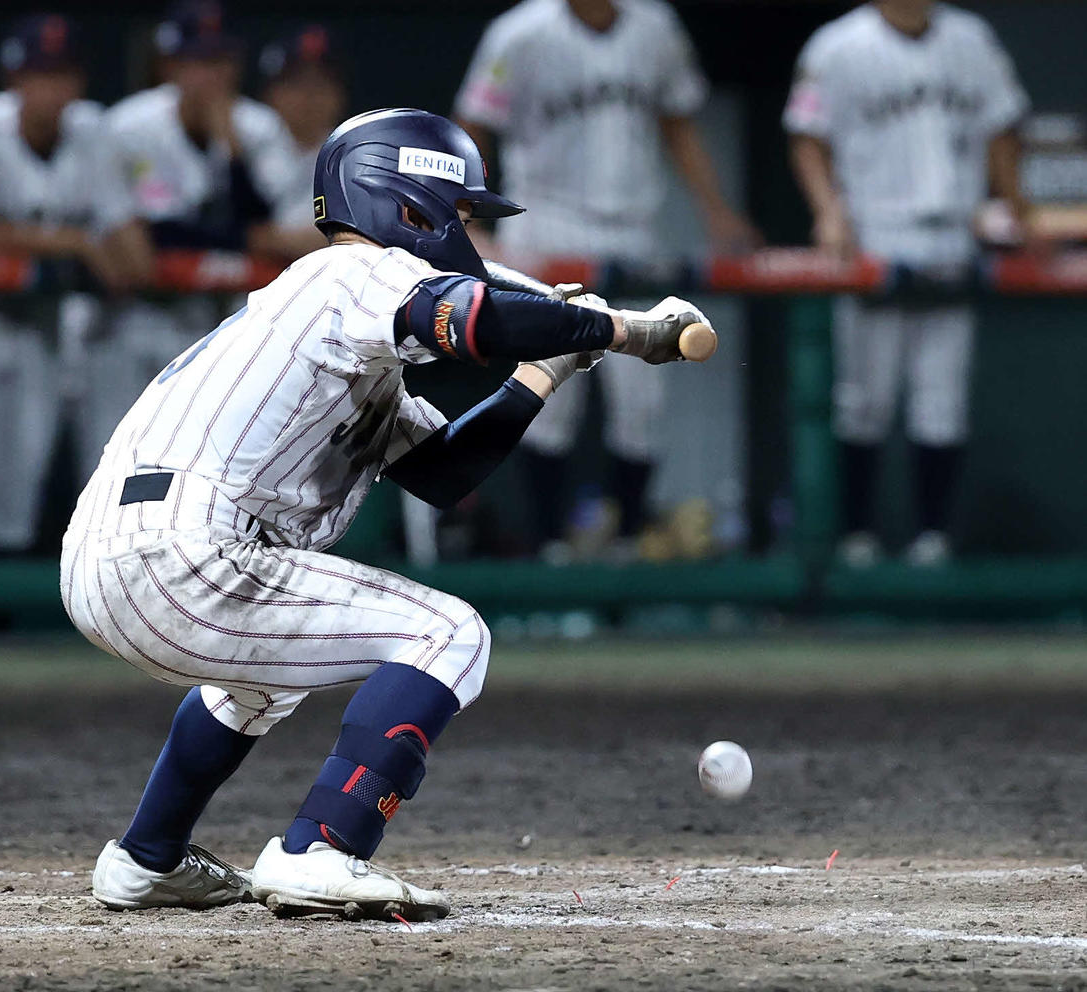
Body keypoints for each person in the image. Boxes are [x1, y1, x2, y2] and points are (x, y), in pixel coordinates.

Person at [61, 108, 714, 920]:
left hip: (117, 556)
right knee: (449, 633)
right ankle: (320, 849)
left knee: (258, 688)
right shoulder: (352, 274)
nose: (467, 230)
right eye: (462, 211)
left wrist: (547, 370)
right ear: (407, 205)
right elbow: (474, 318)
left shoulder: (348, 334)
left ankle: (145, 858)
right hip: (185, 552)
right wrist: (624, 330)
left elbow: (443, 473)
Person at [454, 0, 758, 557]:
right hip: (544, 226)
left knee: (643, 396)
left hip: (633, 227)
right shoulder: (519, 33)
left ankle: (624, 543)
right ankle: (548, 547)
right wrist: (468, 215)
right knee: (549, 394)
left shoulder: (655, 26)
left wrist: (716, 209)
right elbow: (473, 126)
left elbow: (678, 124)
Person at [784, 0, 1029, 566]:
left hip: (953, 233)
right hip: (875, 233)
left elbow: (1001, 128)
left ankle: (932, 542)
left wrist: (1021, 208)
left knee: (942, 403)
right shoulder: (838, 45)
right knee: (862, 402)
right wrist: (830, 212)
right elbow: (807, 136)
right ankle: (855, 540)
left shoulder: (971, 38)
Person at [0, 14, 151, 560]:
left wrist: (121, 249)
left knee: (21, 476)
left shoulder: (91, 132)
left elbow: (130, 248)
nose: (51, 88)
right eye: (38, 74)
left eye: (61, 74)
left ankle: (1, 610)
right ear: (14, 80)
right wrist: (77, 244)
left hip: (45, 326)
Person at [77, 0, 305, 479]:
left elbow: (278, 232)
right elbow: (136, 247)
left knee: (208, 478)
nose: (211, 76)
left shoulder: (257, 128)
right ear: (169, 67)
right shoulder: (126, 127)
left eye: (220, 61)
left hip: (223, 327)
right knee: (112, 471)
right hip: (129, 323)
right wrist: (237, 237)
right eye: (197, 62)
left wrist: (233, 150)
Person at [258, 24, 348, 230]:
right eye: (295, 83)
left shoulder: (354, 157)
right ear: (270, 92)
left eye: (321, 83)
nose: (309, 96)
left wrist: (262, 238)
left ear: (340, 94)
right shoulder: (245, 143)